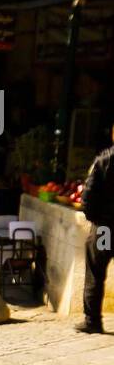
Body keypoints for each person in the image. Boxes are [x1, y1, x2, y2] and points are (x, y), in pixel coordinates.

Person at [76, 122, 114, 334]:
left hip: (105, 229)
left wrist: (96, 219)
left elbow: (88, 198)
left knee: (96, 271)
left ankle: (92, 321)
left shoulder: (103, 161)